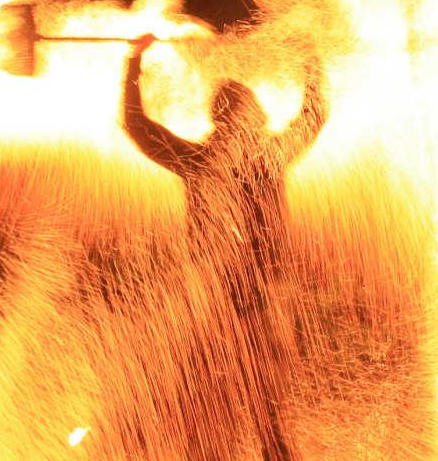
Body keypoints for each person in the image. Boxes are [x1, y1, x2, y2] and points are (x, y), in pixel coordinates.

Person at [122, 34, 328, 460]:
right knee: (247, 407)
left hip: (241, 299)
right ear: (237, 119)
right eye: (248, 114)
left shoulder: (216, 159)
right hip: (231, 299)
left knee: (249, 407)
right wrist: (310, 60)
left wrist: (133, 60)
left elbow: (136, 125)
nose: (251, 123)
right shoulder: (259, 157)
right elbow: (314, 113)